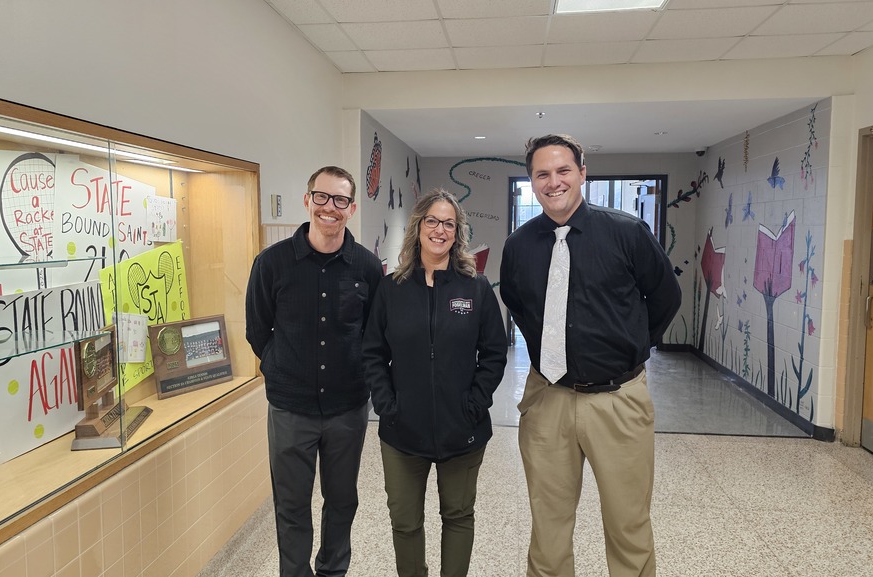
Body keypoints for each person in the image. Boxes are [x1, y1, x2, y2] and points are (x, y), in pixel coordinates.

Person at [500, 135, 681, 577]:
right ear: (531, 181)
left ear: (583, 173)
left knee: (628, 524)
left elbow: (665, 297)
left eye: (564, 171)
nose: (554, 181)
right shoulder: (520, 245)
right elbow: (518, 304)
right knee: (548, 528)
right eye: (542, 174)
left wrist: (630, 344)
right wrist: (552, 352)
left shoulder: (626, 232)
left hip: (618, 400)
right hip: (549, 400)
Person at [245, 165, 383, 577]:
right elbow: (257, 329)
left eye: (340, 200)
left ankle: (332, 571)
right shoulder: (272, 263)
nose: (330, 208)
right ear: (307, 201)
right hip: (290, 409)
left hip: (347, 409)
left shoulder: (367, 267)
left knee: (342, 501)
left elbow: (376, 334)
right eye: (321, 197)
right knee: (291, 504)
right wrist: (280, 369)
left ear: (352, 208)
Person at [363, 188, 508, 577]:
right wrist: (387, 404)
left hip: (463, 428)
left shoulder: (474, 288)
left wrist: (474, 404)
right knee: (406, 522)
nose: (440, 230)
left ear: (457, 232)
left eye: (449, 223)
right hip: (402, 431)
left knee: (458, 516)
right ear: (418, 227)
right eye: (432, 221)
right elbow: (372, 352)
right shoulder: (392, 288)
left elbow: (494, 353)